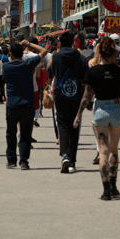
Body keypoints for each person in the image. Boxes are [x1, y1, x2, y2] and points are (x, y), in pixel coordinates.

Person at [75, 37, 120, 200]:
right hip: (116, 111)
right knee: (114, 150)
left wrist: (78, 114)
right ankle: (114, 185)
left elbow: (87, 96)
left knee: (103, 151)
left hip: (100, 112)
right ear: (114, 53)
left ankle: (106, 189)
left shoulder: (92, 71)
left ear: (99, 52)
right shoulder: (119, 72)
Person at [2, 40, 47, 170]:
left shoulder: (6, 66)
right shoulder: (28, 64)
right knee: (26, 134)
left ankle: (11, 160)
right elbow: (44, 51)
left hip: (12, 104)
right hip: (27, 103)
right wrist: (28, 44)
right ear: (22, 54)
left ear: (10, 54)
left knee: (11, 132)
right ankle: (24, 161)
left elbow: (4, 79)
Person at [49, 30, 89, 174]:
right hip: (76, 94)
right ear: (73, 42)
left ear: (60, 42)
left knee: (63, 125)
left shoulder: (56, 56)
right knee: (74, 126)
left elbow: (50, 70)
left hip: (60, 94)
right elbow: (86, 75)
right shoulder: (80, 56)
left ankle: (65, 155)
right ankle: (72, 160)